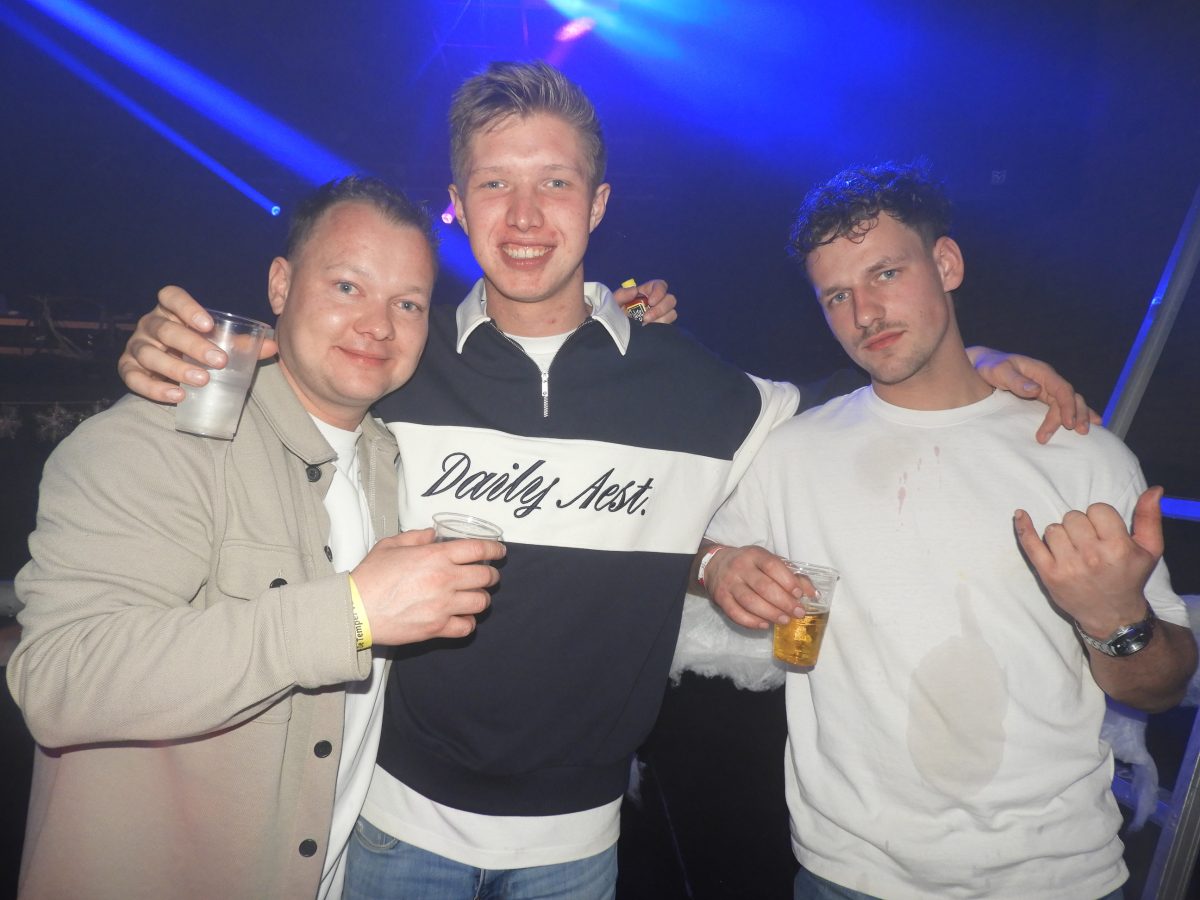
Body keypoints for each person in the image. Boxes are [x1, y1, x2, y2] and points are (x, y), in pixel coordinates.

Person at [115, 64, 1092, 899]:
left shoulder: (694, 389)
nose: (525, 216)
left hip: (578, 850)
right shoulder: (400, 366)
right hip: (391, 824)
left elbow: (852, 402)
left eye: (555, 182)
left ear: (598, 204)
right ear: (458, 201)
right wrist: (171, 354)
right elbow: (281, 380)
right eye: (495, 184)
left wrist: (977, 363)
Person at [696, 161, 1198, 900]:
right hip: (850, 874)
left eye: (886, 273)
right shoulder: (792, 454)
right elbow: (671, 545)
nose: (866, 313)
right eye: (837, 296)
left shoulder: (1079, 452)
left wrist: (1116, 621)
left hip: (1058, 875)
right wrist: (715, 565)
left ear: (947, 264)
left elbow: (1161, 687)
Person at [7, 176, 507, 899]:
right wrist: (351, 614)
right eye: (347, 286)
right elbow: (57, 680)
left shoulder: (395, 457)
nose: (378, 325)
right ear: (280, 284)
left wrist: (628, 313)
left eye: (407, 304)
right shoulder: (163, 432)